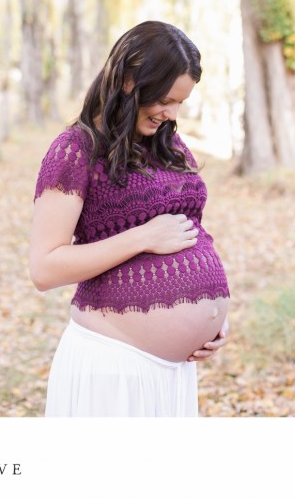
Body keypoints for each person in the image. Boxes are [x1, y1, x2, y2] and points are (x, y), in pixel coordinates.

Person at [29, 21, 229, 417]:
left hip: (173, 373)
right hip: (114, 366)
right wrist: (141, 237)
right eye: (165, 100)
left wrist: (213, 321)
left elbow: (190, 232)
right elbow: (44, 268)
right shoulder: (75, 151)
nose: (171, 115)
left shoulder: (170, 147)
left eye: (180, 103)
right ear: (129, 81)